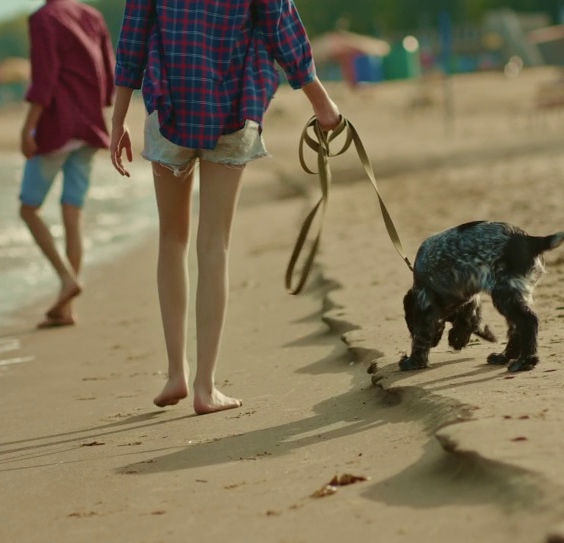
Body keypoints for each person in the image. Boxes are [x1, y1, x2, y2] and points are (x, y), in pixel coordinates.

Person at [110, 0, 342, 414]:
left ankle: (175, 373)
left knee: (172, 240)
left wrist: (118, 119)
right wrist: (322, 104)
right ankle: (205, 387)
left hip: (169, 108)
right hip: (233, 105)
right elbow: (282, 29)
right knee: (214, 243)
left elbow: (133, 36)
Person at [19, 0, 115, 328]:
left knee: (29, 209)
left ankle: (66, 278)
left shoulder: (44, 18)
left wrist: (28, 126)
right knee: (72, 215)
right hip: (90, 126)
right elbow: (108, 74)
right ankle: (66, 309)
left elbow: (45, 79)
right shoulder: (92, 16)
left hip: (59, 125)